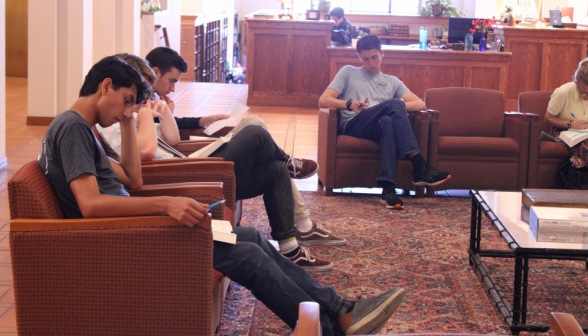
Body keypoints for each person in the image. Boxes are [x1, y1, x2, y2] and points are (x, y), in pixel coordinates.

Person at [37, 55, 406, 336]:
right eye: (127, 100)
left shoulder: (86, 130)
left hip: (137, 225)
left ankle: (339, 309)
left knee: (249, 236)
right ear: (105, 86)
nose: (129, 109)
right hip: (129, 237)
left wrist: (127, 122)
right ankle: (329, 325)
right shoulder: (71, 129)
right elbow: (89, 205)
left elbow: (132, 179)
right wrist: (166, 204)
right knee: (245, 255)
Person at [96, 53, 347, 272]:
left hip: (187, 164)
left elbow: (171, 139)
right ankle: (290, 163)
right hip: (181, 176)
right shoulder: (112, 123)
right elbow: (147, 152)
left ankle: (289, 247)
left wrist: (162, 110)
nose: (142, 99)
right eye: (137, 95)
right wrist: (146, 117)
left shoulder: (136, 115)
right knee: (255, 132)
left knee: (275, 170)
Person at [318, 35, 451, 210]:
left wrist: (392, 105)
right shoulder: (348, 71)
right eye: (365, 59)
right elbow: (324, 100)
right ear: (360, 58)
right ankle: (420, 166)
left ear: (382, 54)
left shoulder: (392, 81)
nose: (371, 63)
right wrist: (349, 104)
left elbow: (420, 104)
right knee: (394, 105)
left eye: (374, 57)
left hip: (378, 126)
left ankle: (388, 190)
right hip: (353, 124)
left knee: (388, 121)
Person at [545, 58, 588, 169]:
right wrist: (570, 124)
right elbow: (548, 118)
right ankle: (579, 177)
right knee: (584, 144)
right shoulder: (563, 92)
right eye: (584, 93)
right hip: (564, 131)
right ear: (576, 83)